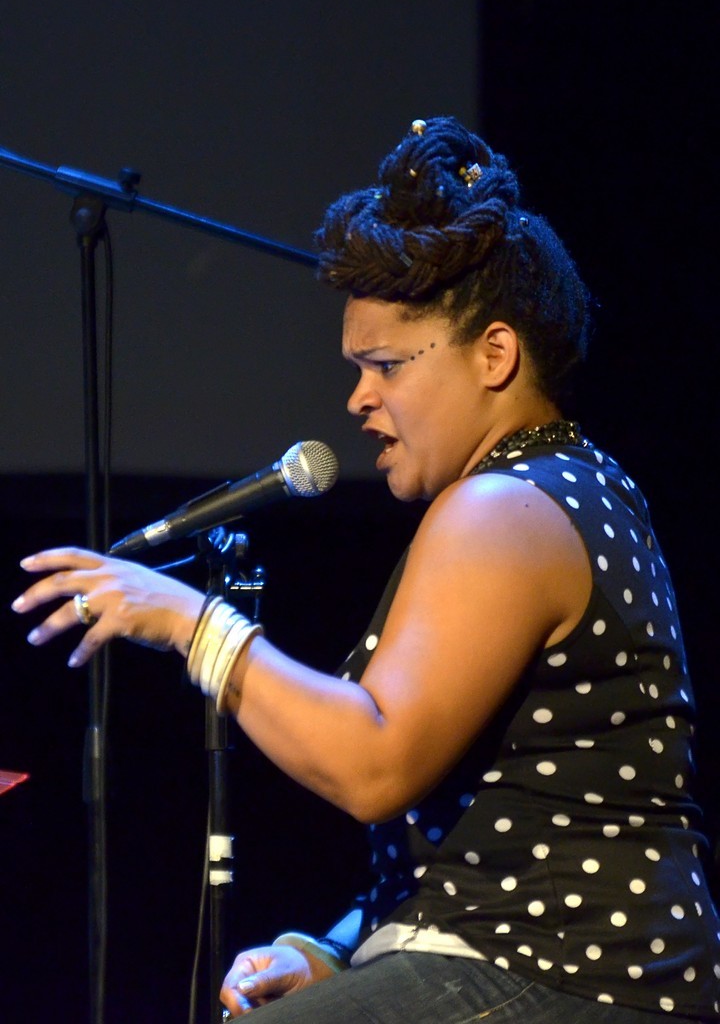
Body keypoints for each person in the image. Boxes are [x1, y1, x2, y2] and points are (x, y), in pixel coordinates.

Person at [12, 116, 720, 1022]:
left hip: (571, 976)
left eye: (384, 364)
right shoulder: (569, 488)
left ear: (495, 355)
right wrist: (341, 948)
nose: (358, 398)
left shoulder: (506, 508)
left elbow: (377, 765)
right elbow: (484, 823)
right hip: (553, 966)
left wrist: (192, 624)